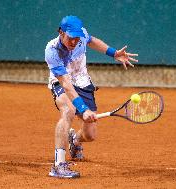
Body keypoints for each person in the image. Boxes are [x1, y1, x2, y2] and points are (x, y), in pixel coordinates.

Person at [45, 15, 138, 178]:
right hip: (62, 82)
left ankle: (74, 139)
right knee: (68, 110)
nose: (74, 42)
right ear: (61, 33)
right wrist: (82, 109)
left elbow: (92, 40)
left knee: (90, 135)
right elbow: (66, 85)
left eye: (77, 38)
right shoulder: (52, 51)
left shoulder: (81, 36)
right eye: (70, 38)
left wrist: (114, 53)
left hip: (82, 80)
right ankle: (59, 165)